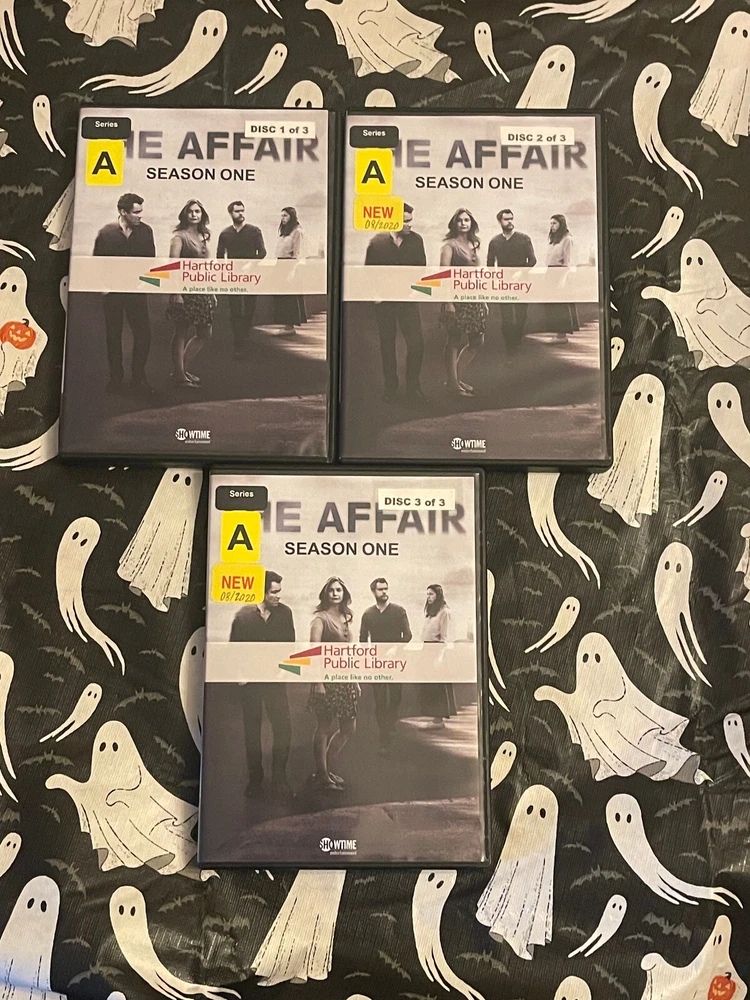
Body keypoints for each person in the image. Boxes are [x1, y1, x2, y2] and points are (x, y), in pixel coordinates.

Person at [229, 571, 294, 798]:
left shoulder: (285, 613)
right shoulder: (243, 617)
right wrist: (241, 675)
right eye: (274, 592)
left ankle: (280, 780)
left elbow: (290, 647)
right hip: (252, 682)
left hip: (275, 679)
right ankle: (255, 780)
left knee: (284, 728)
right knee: (252, 730)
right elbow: (234, 650)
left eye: (279, 591)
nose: (278, 596)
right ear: (261, 592)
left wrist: (284, 671)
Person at [93, 192, 155, 397]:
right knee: (113, 335)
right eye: (136, 212)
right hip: (113, 293)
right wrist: (104, 287)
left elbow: (150, 261)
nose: (140, 216)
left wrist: (145, 283)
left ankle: (139, 378)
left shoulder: (146, 231)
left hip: (136, 291)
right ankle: (116, 378)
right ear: (122, 212)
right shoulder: (106, 233)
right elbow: (97, 262)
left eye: (140, 212)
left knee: (143, 335)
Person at [364, 203, 427, 404]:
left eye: (410, 221)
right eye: (405, 221)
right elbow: (368, 272)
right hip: (385, 302)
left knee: (416, 344)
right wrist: (375, 294)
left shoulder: (416, 241)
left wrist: (415, 292)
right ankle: (390, 388)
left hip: (407, 300)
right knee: (387, 345)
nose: (409, 225)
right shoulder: (376, 242)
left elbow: (421, 270)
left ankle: (413, 389)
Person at [307, 576, 359, 790]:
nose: (335, 593)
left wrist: (355, 679)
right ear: (325, 594)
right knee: (324, 726)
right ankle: (322, 775)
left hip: (344, 679)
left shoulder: (345, 617)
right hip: (326, 679)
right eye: (331, 590)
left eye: (339, 590)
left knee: (349, 727)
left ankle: (325, 770)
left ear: (344, 593)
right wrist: (318, 682)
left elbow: (349, 652)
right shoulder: (320, 619)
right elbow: (313, 652)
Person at [359, 578, 412, 754]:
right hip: (377, 663)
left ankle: (391, 723)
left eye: (386, 589)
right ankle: (384, 738)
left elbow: (408, 635)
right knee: (380, 701)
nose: (384, 592)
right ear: (373, 592)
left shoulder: (399, 611)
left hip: (396, 662)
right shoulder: (368, 614)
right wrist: (367, 656)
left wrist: (396, 648)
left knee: (395, 697)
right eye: (380, 589)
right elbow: (363, 638)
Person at [439, 208, 488, 397]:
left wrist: (483, 299)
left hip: (473, 298)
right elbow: (444, 275)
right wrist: (448, 302)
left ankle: (455, 379)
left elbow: (477, 274)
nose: (463, 223)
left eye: (466, 220)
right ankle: (453, 384)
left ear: (471, 223)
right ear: (454, 223)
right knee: (454, 340)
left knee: (477, 341)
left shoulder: (473, 245)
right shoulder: (449, 246)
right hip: (456, 298)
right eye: (460, 220)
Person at [168, 199, 216, 388]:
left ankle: (181, 370)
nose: (194, 214)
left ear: (202, 214)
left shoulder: (204, 236)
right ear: (185, 214)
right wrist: (176, 293)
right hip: (185, 290)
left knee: (205, 332)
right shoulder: (179, 237)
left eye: (197, 211)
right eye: (190, 211)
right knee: (181, 331)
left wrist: (211, 291)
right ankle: (180, 375)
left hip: (202, 290)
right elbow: (173, 266)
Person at [216, 200, 266, 360]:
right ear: (230, 213)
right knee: (235, 310)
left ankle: (245, 335)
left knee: (250, 308)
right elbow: (219, 256)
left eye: (242, 210)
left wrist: (251, 264)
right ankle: (238, 343)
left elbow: (262, 252)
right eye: (237, 211)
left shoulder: (254, 231)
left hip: (251, 276)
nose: (241, 214)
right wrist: (225, 271)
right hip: (233, 277)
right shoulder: (225, 233)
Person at [487, 209, 536, 354]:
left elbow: (532, 260)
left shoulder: (524, 239)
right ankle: (510, 346)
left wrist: (521, 272)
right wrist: (495, 279)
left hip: (522, 283)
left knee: (521, 315)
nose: (509, 222)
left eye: (511, 219)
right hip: (504, 284)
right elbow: (490, 264)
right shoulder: (495, 242)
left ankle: (517, 341)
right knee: (506, 317)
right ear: (500, 221)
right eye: (506, 219)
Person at [421, 583, 456, 730]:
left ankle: (439, 719)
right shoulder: (431, 612)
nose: (428, 597)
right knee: (430, 685)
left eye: (431, 594)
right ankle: (434, 717)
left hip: (437, 650)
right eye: (427, 594)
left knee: (438, 685)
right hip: (427, 649)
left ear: (438, 595)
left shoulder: (445, 612)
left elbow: (444, 637)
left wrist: (439, 656)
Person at [545, 214, 580, 343]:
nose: (552, 226)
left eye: (554, 223)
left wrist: (562, 279)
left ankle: (562, 336)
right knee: (553, 305)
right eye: (551, 223)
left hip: (560, 273)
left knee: (561, 305)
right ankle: (558, 333)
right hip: (551, 272)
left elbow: (568, 261)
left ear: (561, 224)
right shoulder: (554, 239)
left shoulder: (567, 239)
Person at [273, 206, 307, 334]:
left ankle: (289, 327)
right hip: (280, 264)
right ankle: (285, 325)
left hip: (290, 265)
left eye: (285, 215)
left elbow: (298, 254)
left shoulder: (297, 232)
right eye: (281, 216)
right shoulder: (284, 232)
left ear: (292, 216)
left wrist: (292, 271)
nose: (283, 218)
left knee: (289, 297)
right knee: (281, 296)